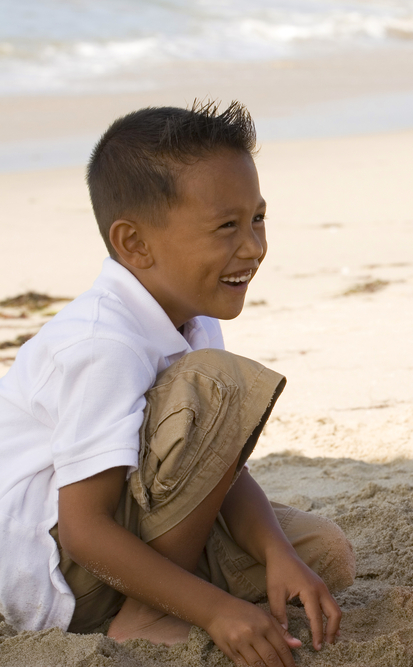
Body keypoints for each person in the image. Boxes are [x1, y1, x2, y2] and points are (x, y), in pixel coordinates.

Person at [0, 101, 355, 667]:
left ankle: (171, 600)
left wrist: (278, 552)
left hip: (134, 533)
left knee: (322, 554)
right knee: (221, 384)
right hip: (66, 579)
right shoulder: (103, 344)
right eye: (226, 227)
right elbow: (84, 530)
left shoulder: (194, 311)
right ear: (135, 244)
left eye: (257, 219)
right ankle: (141, 620)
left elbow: (217, 462)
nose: (254, 247)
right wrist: (216, 612)